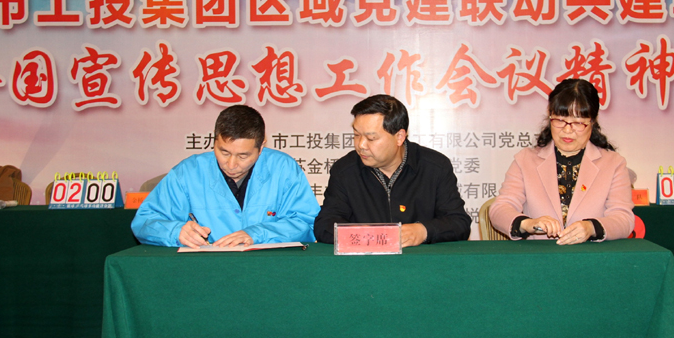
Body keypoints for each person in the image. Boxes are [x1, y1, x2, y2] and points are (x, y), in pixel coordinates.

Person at [132, 105, 319, 248]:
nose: (231, 164)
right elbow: (144, 222)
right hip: (204, 270)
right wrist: (175, 231)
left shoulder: (283, 168)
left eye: (243, 156)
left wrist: (257, 234)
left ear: (261, 147)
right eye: (224, 152)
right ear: (214, 141)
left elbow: (306, 223)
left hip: (268, 269)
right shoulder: (188, 172)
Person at [489, 78, 634, 244]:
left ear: (592, 122)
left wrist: (591, 228)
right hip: (540, 255)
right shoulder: (525, 160)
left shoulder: (613, 163)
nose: (567, 130)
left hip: (592, 256)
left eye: (577, 123)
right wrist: (529, 224)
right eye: (559, 120)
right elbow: (500, 209)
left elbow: (624, 219)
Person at [314, 94, 471, 247]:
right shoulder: (345, 171)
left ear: (399, 137)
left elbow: (459, 222)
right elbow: (324, 224)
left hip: (422, 261)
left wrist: (423, 231)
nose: (361, 145)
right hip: (365, 261)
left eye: (371, 138)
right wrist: (361, 234)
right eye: (356, 135)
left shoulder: (435, 167)